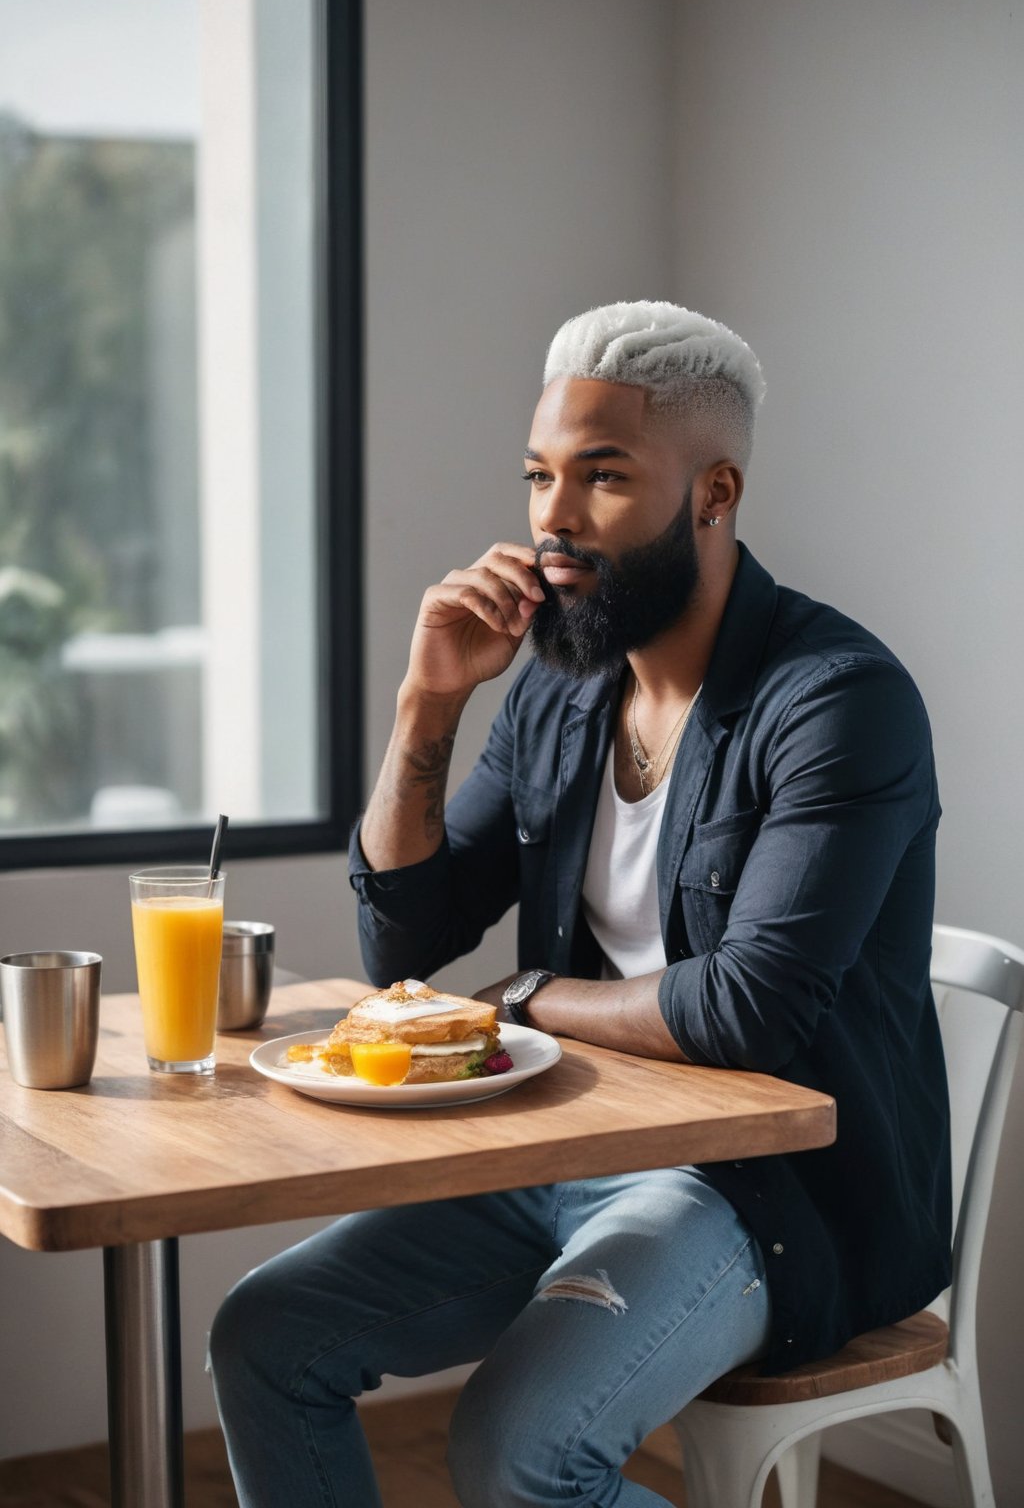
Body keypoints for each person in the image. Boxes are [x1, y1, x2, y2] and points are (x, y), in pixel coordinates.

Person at [210, 301, 952, 1507]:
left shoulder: (835, 700)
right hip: (567, 1148)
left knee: (516, 1449)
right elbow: (401, 937)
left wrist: (528, 1001)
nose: (553, 518)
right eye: (540, 476)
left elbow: (747, 1008)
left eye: (603, 478)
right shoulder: (563, 691)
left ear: (713, 495)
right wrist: (426, 706)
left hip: (765, 1192)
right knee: (267, 1337)